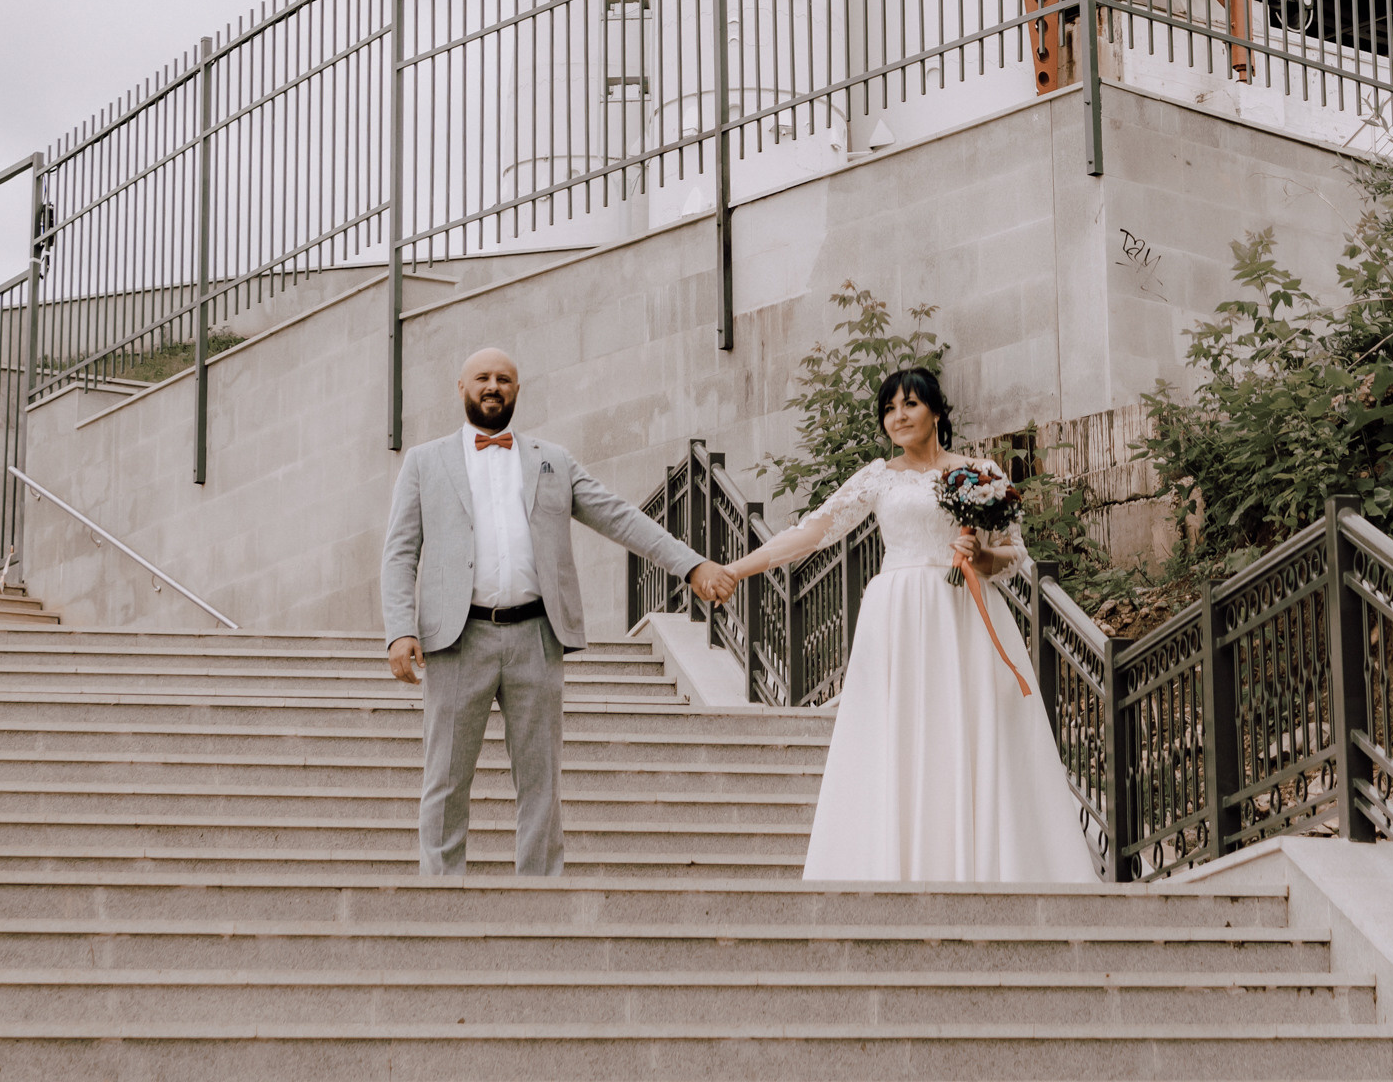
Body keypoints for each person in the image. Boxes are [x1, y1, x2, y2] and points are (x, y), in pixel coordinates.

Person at [695, 362, 1099, 883]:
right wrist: (736, 568)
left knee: (970, 729)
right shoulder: (877, 477)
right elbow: (812, 532)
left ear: (935, 410)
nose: (898, 416)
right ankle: (900, 865)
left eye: (909, 404)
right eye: (889, 408)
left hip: (964, 618)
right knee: (898, 735)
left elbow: (1013, 555)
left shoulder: (981, 474)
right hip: (897, 618)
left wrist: (980, 558)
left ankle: (980, 867)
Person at [380, 344, 718, 879]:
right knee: (444, 778)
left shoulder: (552, 460)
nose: (494, 386)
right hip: (456, 638)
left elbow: (618, 517)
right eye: (483, 378)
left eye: (505, 379)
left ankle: (539, 897)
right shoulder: (423, 462)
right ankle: (439, 895)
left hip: (536, 635)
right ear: (461, 388)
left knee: (541, 779)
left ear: (517, 390)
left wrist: (691, 565)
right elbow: (399, 551)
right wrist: (400, 630)